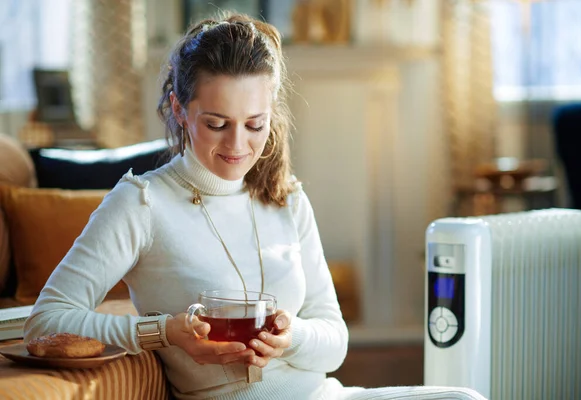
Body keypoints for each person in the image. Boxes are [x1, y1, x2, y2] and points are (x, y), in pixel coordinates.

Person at [24, 13, 487, 400]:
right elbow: (45, 321)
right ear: (179, 109)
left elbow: (335, 343)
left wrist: (292, 337)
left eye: (254, 124)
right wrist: (164, 332)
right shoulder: (142, 202)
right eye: (217, 123)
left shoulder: (286, 198)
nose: (237, 145)